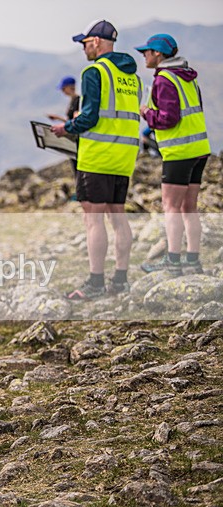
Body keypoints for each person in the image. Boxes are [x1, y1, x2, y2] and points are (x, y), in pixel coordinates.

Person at [51, 20, 140, 300]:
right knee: (118, 216)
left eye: (86, 43)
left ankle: (96, 283)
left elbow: (90, 117)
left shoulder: (94, 71)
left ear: (98, 43)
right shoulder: (132, 77)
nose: (83, 48)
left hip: (98, 156)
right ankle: (121, 280)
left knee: (94, 220)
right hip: (124, 157)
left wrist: (66, 128)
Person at [136, 34, 211, 275]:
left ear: (157, 54)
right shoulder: (188, 77)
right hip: (199, 149)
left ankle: (173, 261)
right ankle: (193, 260)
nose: (144, 56)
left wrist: (147, 113)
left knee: (171, 206)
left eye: (146, 52)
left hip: (179, 152)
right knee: (189, 207)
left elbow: (168, 118)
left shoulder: (164, 79)